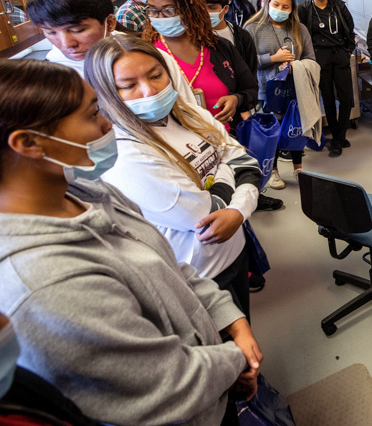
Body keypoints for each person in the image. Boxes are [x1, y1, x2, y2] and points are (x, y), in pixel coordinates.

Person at [0, 59, 261, 426]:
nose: (109, 124)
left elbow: (170, 265)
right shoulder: (46, 282)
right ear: (29, 143)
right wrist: (236, 358)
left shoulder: (88, 192)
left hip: (214, 379)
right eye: (93, 115)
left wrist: (229, 318)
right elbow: (166, 383)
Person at [85, 36, 262, 320]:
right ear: (107, 92)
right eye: (129, 85)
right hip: (199, 276)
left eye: (156, 75)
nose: (149, 90)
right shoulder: (126, 153)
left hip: (233, 248)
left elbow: (247, 161)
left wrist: (238, 209)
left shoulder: (186, 112)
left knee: (246, 332)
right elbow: (205, 216)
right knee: (229, 354)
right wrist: (226, 169)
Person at [26, 0, 196, 105]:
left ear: (110, 22)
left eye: (78, 30)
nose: (67, 44)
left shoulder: (147, 56)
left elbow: (189, 110)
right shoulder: (47, 80)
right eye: (51, 32)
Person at [142, 0, 258, 133]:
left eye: (169, 10)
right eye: (153, 10)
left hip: (224, 137)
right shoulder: (145, 54)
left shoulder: (218, 47)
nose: (160, 17)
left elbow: (250, 89)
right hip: (179, 145)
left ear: (189, 9)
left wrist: (237, 99)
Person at [245, 0, 321, 190]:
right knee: (274, 132)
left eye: (285, 6)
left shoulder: (299, 29)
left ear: (292, 9)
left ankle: (298, 169)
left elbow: (311, 59)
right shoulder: (253, 29)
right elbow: (246, 63)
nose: (280, 9)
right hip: (267, 90)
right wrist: (273, 59)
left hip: (296, 87)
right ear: (267, 4)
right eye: (276, 4)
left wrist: (296, 66)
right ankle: (274, 171)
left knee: (296, 127)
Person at [297, 0, 355, 157]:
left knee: (346, 98)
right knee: (328, 98)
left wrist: (348, 50)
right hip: (319, 56)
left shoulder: (338, 6)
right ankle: (339, 139)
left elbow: (350, 29)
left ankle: (339, 136)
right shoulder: (304, 8)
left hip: (340, 54)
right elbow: (301, 35)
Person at [197, 0, 258, 76]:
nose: (205, 13)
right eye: (201, 8)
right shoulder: (193, 37)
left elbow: (251, 73)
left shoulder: (242, 36)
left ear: (225, 9)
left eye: (212, 8)